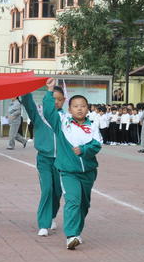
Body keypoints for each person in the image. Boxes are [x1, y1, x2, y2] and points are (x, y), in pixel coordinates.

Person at [43, 78, 102, 250]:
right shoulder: (63, 122)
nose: (79, 108)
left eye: (83, 106)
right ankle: (71, 236)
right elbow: (48, 112)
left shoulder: (93, 125)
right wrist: (49, 91)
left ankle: (77, 231)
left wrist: (84, 150)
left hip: (89, 172)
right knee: (73, 200)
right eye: (75, 106)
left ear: (87, 108)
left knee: (84, 204)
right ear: (69, 109)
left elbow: (97, 144)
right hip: (68, 171)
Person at [21, 87, 65, 236]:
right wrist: (25, 88)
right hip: (44, 160)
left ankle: (52, 215)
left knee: (58, 191)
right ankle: (43, 225)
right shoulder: (39, 115)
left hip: (61, 161)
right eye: (53, 99)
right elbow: (28, 103)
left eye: (59, 99)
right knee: (47, 189)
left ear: (64, 101)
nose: (56, 102)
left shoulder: (65, 118)